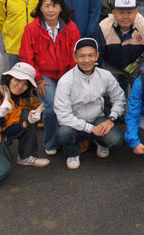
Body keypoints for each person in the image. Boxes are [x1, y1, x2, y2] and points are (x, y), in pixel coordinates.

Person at [19, 0, 81, 156]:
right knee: (52, 106)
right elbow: (26, 56)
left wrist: (71, 77)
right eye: (46, 6)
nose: (51, 10)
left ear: (61, 8)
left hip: (66, 74)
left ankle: (67, 138)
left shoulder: (70, 27)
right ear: (40, 8)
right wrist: (38, 79)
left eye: (55, 5)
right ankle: (51, 142)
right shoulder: (31, 28)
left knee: (69, 104)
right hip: (43, 76)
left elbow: (75, 55)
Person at [54, 38, 126, 170]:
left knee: (117, 140)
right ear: (75, 57)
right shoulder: (66, 81)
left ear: (97, 56)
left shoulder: (105, 75)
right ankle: (73, 153)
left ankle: (100, 141)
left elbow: (119, 98)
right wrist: (90, 128)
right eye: (82, 56)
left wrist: (111, 118)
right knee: (63, 133)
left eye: (91, 55)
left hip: (98, 119)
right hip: (76, 123)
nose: (87, 60)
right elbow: (63, 115)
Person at [93, 0, 144, 96]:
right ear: (114, 13)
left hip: (135, 64)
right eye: (121, 13)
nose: (125, 17)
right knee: (107, 93)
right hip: (111, 66)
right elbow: (96, 56)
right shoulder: (103, 27)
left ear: (136, 13)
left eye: (129, 12)